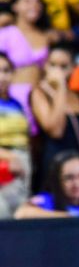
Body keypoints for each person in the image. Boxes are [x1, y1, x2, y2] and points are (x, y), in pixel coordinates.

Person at [31, 43, 79, 182]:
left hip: (78, 164)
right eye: (52, 65)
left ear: (73, 68)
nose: (57, 71)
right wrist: (61, 87)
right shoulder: (39, 93)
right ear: (45, 65)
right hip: (54, 163)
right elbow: (56, 130)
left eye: (63, 66)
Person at [0, 0, 51, 131]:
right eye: (27, 1)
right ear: (15, 6)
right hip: (13, 93)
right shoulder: (6, 33)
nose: (33, 5)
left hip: (39, 94)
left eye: (37, 1)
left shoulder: (45, 36)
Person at [15, 150, 79, 218]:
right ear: (57, 180)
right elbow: (21, 214)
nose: (77, 183)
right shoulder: (46, 201)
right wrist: (68, 218)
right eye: (69, 178)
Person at [0, 52, 31, 218]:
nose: (2, 77)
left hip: (22, 164)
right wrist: (10, 157)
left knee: (19, 218)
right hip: (6, 164)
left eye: (6, 71)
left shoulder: (17, 104)